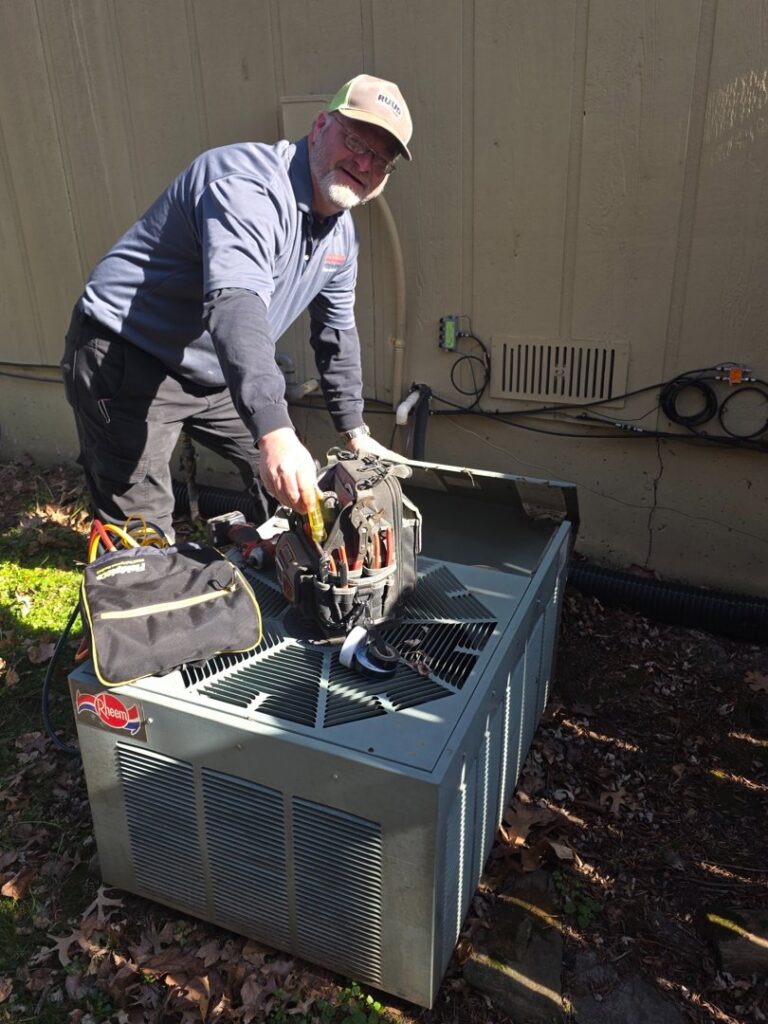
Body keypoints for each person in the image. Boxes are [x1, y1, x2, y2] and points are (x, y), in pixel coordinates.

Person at [61, 74, 412, 539]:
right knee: (140, 524)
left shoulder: (342, 237)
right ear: (319, 126)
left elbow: (336, 333)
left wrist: (354, 431)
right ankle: (139, 590)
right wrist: (274, 431)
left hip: (212, 370)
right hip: (128, 353)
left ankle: (282, 582)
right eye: (354, 140)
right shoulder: (248, 184)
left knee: (293, 483)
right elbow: (235, 305)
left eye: (381, 159)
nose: (363, 162)